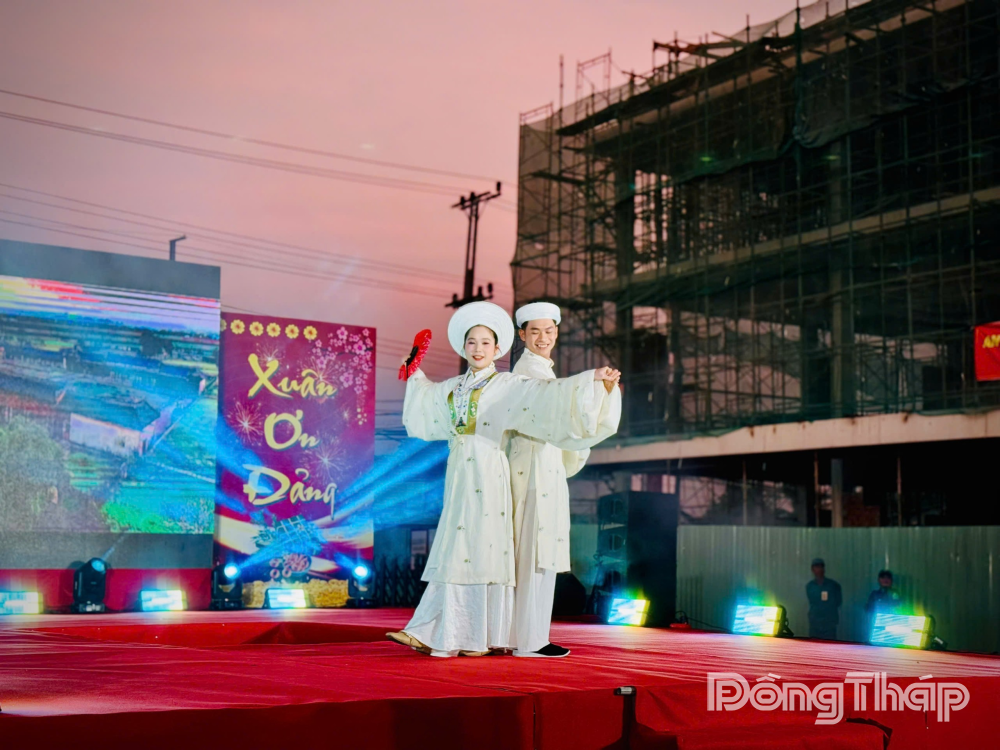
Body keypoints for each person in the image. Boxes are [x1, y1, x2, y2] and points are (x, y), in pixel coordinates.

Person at [386, 301, 621, 658]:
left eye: (486, 343)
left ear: (498, 349)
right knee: (458, 546)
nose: (478, 349)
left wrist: (591, 381)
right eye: (472, 342)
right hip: (461, 473)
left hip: (490, 472)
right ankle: (464, 634)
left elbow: (548, 395)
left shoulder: (507, 384)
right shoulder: (454, 386)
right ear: (463, 347)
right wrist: (414, 372)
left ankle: (450, 632)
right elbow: (426, 404)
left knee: (480, 548)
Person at [506, 301, 591, 658]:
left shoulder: (542, 370)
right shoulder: (526, 372)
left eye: (549, 330)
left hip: (546, 468)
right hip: (532, 472)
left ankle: (530, 636)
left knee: (540, 558)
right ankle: (528, 640)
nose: (543, 337)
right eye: (535, 331)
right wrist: (592, 387)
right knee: (531, 557)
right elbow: (552, 412)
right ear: (522, 335)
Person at [806, 558, 842, 640]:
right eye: (817, 567)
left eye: (821, 567)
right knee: (814, 645)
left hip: (829, 624)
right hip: (815, 623)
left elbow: (838, 602)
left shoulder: (833, 585)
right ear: (812, 569)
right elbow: (812, 601)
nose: (819, 569)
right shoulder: (810, 586)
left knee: (829, 645)